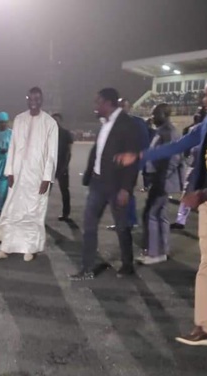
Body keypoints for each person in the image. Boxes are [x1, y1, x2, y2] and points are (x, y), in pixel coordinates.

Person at [115, 72, 207, 346]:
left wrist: (205, 193)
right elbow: (178, 145)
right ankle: (203, 327)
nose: (203, 98)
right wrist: (140, 156)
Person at [69, 88, 141, 281]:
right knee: (89, 225)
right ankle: (87, 268)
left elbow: (132, 159)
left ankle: (127, 265)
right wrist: (90, 174)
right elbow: (97, 152)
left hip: (117, 186)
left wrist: (126, 189)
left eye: (98, 102)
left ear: (108, 103)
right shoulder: (104, 124)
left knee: (122, 227)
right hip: (97, 183)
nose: (95, 106)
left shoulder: (127, 124)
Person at [0, 87, 58, 262]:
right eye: (31, 98)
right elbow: (13, 147)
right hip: (18, 175)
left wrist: (47, 178)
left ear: (42, 100)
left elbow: (52, 154)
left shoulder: (50, 123)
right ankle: (6, 248)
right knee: (12, 211)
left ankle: (30, 248)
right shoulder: (19, 119)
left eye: (37, 98)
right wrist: (9, 171)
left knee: (33, 213)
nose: (34, 102)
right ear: (27, 99)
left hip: (37, 176)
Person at [137, 103, 181, 265]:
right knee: (160, 215)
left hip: (162, 180)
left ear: (164, 114)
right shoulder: (162, 131)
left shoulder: (169, 132)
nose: (152, 117)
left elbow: (174, 157)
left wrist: (162, 178)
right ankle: (163, 251)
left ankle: (154, 253)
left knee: (151, 214)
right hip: (160, 179)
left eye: (155, 114)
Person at [106, 98, 150, 230]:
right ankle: (122, 221)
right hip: (115, 163)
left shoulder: (137, 122)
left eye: (122, 106)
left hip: (130, 163)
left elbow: (144, 142)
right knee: (115, 192)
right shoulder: (112, 122)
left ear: (128, 108)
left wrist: (139, 161)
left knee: (127, 191)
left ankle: (130, 220)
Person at [171, 106, 207, 230]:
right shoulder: (195, 129)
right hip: (198, 167)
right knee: (188, 193)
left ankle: (181, 221)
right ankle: (180, 221)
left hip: (206, 167)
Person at [52, 113, 74, 221]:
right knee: (44, 192)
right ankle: (39, 213)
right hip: (50, 167)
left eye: (57, 120)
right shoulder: (48, 133)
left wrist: (65, 166)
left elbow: (69, 152)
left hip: (62, 166)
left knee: (64, 190)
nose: (55, 122)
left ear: (60, 121)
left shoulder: (66, 133)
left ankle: (66, 213)